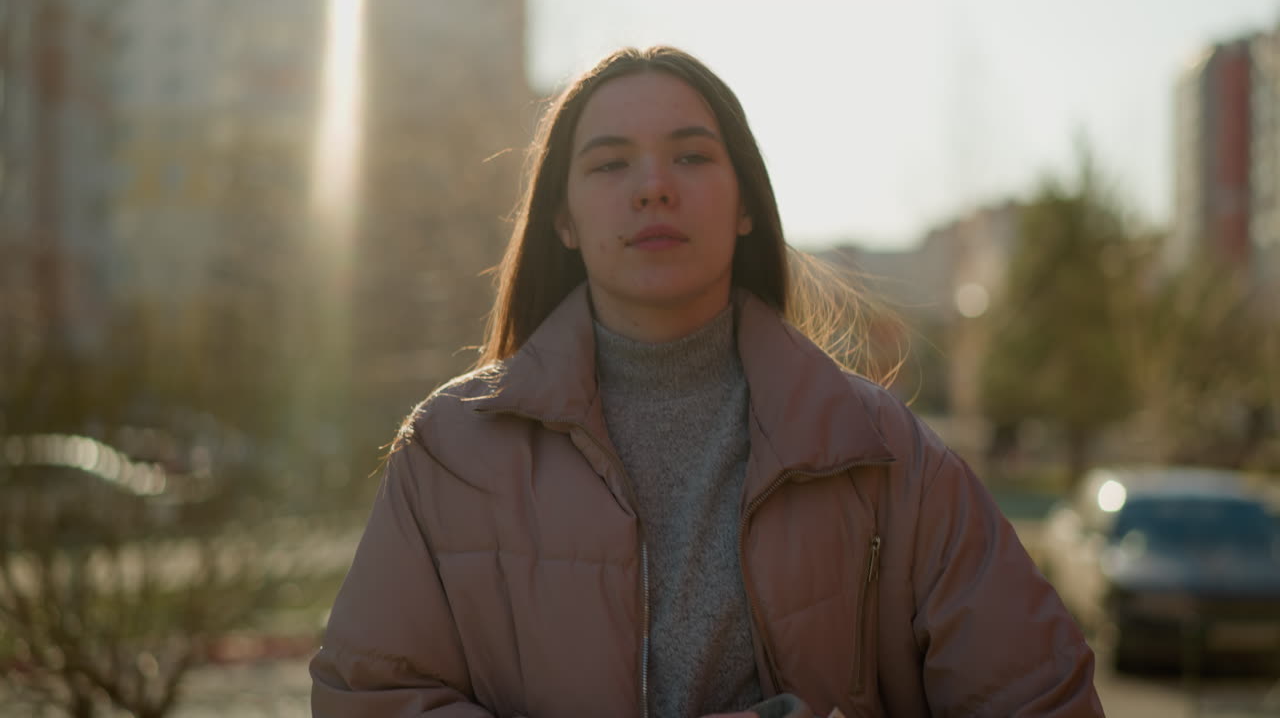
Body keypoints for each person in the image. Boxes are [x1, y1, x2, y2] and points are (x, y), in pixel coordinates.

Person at [309, 45, 1105, 718]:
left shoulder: (882, 455)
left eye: (691, 155)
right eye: (611, 163)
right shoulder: (450, 451)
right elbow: (369, 696)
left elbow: (1041, 696)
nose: (654, 185)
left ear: (746, 206)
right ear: (564, 221)